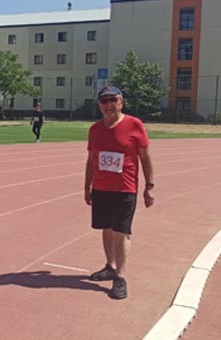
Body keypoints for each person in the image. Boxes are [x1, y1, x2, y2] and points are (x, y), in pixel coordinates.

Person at [84, 86, 154, 299]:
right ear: (99, 105)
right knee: (106, 229)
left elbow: (145, 157)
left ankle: (120, 278)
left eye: (113, 100)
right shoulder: (95, 129)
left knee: (121, 232)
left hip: (125, 189)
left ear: (121, 102)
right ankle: (110, 266)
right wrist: (87, 187)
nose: (108, 105)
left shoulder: (134, 125)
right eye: (104, 101)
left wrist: (149, 186)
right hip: (101, 189)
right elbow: (91, 160)